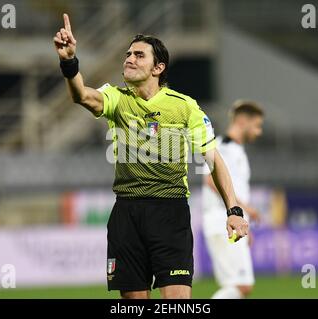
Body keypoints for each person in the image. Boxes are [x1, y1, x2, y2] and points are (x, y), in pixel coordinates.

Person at [53, 13, 249, 299]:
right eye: (128, 54)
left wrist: (233, 210)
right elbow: (82, 95)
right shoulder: (117, 98)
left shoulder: (185, 107)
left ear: (158, 67)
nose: (129, 59)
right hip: (126, 214)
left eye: (138, 55)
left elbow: (213, 159)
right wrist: (69, 61)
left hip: (170, 213)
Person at [202, 100, 264, 299]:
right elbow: (211, 180)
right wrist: (246, 209)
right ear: (242, 121)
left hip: (229, 221)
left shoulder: (236, 149)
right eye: (257, 125)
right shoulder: (223, 146)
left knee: (237, 285)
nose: (258, 131)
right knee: (241, 285)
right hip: (221, 219)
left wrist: (243, 219)